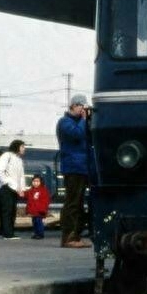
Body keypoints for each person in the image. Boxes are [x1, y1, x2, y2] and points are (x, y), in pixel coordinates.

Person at [57, 94, 92, 248]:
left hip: (82, 167)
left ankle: (76, 236)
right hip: (73, 167)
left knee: (78, 204)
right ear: (74, 105)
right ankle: (68, 237)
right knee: (72, 203)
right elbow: (76, 135)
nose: (83, 110)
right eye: (81, 107)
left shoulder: (80, 123)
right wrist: (84, 120)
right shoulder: (65, 122)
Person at [0, 139, 26, 240]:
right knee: (7, 210)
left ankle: (10, 232)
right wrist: (7, 182)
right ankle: (7, 233)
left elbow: (21, 176)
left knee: (12, 210)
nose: (24, 149)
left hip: (15, 188)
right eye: (22, 147)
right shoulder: (7, 156)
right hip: (6, 187)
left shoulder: (19, 160)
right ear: (17, 147)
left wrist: (21, 188)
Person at [25, 174, 51, 240]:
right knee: (35, 223)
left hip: (39, 210)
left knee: (39, 222)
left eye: (37, 181)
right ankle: (36, 233)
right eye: (34, 181)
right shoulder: (31, 190)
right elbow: (26, 195)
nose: (35, 183)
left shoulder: (43, 190)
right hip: (34, 211)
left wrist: (43, 209)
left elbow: (46, 201)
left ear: (41, 182)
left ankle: (40, 234)